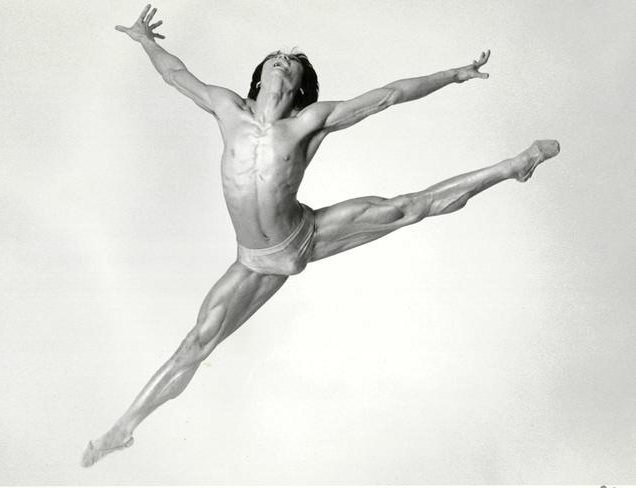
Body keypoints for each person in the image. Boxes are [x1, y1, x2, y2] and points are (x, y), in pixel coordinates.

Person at [82, 4, 560, 467]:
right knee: (196, 344)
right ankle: (123, 429)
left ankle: (513, 167)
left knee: (407, 208)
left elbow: (390, 94)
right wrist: (145, 40)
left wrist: (453, 75)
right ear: (260, 76)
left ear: (299, 88)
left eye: (290, 63)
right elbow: (175, 73)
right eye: (275, 58)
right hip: (253, 261)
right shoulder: (226, 106)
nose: (282, 61)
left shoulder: (310, 122)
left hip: (303, 235)